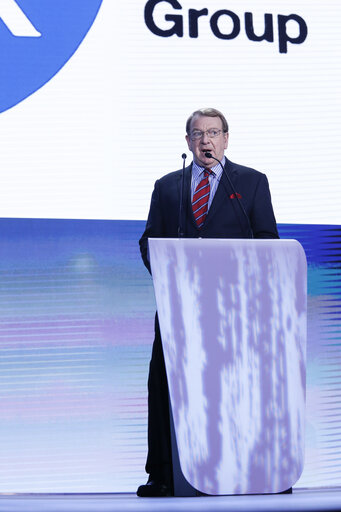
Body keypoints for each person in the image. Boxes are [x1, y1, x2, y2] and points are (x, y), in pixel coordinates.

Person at [137, 108, 279, 497]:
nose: (205, 141)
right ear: (187, 142)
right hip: (178, 307)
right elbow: (149, 241)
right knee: (166, 385)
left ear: (226, 139)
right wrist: (167, 273)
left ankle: (243, 465)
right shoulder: (168, 186)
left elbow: (266, 239)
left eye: (213, 132)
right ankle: (163, 474)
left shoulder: (250, 183)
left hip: (234, 310)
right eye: (197, 134)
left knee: (233, 387)